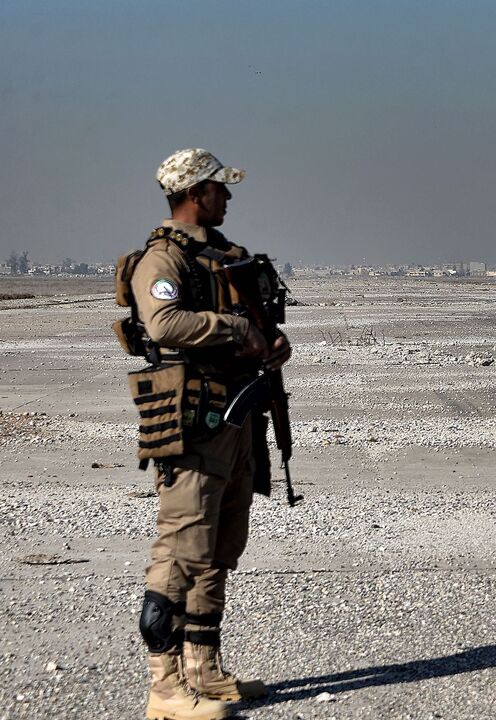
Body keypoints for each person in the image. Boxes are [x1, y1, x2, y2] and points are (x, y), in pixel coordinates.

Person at [128, 148, 290, 720]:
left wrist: (269, 344)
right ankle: (165, 687)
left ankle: (204, 668)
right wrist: (236, 329)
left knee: (221, 545)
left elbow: (258, 327)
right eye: (220, 188)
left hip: (236, 415)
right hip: (194, 421)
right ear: (195, 192)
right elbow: (163, 323)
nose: (229, 197)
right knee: (183, 547)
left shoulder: (225, 257)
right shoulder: (163, 260)